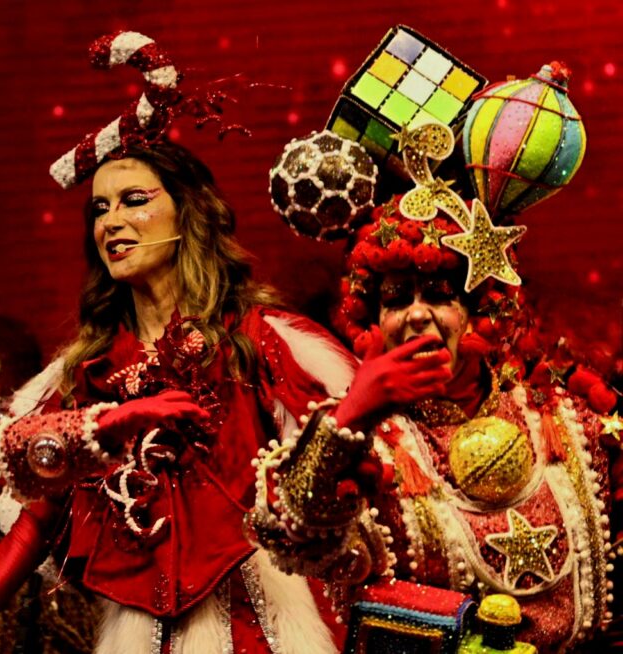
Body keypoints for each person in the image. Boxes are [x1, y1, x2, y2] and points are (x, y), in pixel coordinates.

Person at [0, 132, 360, 653]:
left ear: (188, 215)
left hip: (267, 630)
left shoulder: (257, 343)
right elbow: (35, 526)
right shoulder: (85, 375)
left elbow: (336, 490)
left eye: (135, 201)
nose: (110, 222)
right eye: (99, 210)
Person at [249, 190, 617, 651]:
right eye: (397, 299)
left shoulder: (566, 418)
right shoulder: (368, 448)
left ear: (478, 312)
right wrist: (351, 417)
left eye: (441, 295)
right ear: (375, 320)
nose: (418, 312)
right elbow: (289, 536)